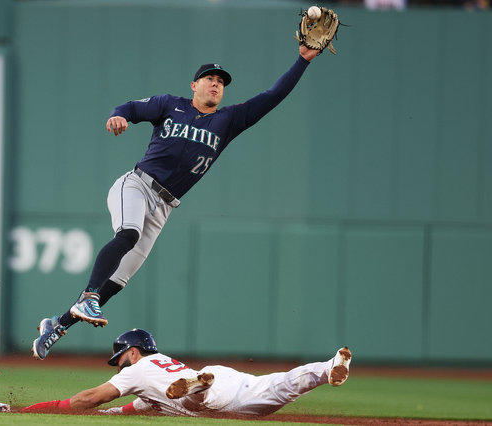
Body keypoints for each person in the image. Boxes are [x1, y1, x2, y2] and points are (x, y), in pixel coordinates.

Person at [31, 44, 320, 360]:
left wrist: (302, 60)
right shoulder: (170, 105)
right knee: (128, 235)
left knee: (117, 280)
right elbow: (129, 107)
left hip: (165, 205)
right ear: (194, 85)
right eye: (209, 78)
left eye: (220, 81)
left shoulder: (228, 120)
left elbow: (272, 96)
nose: (215, 84)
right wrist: (118, 116)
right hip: (137, 186)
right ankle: (87, 296)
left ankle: (57, 324)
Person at [23, 328, 352, 417]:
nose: (118, 363)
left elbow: (89, 399)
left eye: (119, 357)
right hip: (232, 384)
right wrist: (113, 413)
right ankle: (329, 367)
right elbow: (131, 408)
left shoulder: (137, 369)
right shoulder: (159, 369)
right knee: (284, 385)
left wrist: (34, 412)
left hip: (211, 394)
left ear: (132, 353)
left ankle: (198, 387)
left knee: (199, 402)